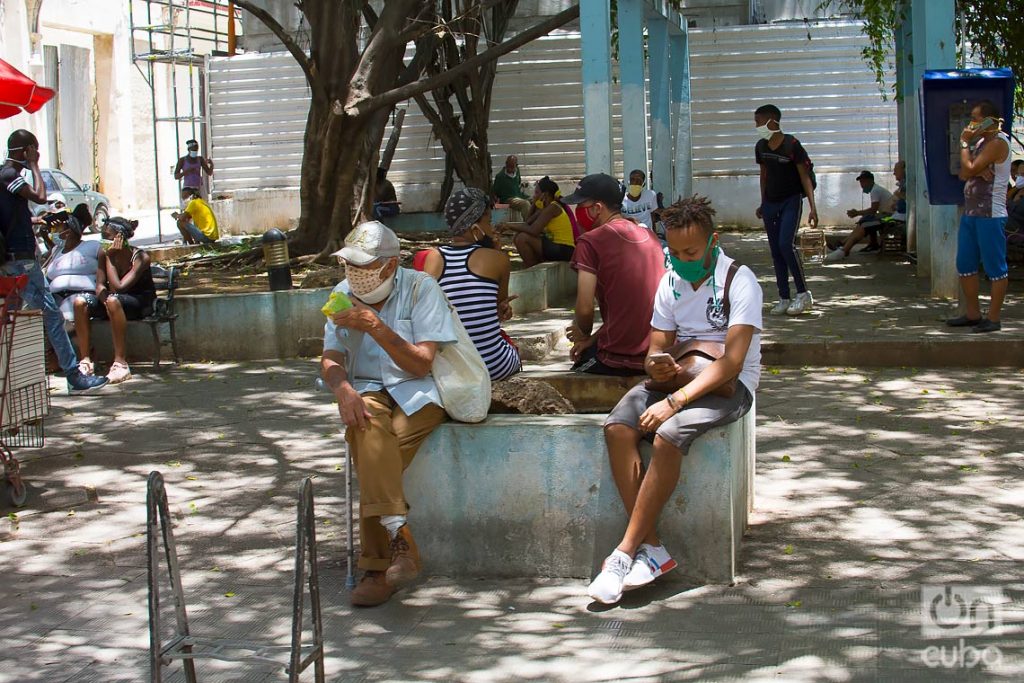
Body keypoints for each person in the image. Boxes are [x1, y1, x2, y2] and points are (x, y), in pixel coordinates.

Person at [588, 195, 761, 604]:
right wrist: (657, 368)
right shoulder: (670, 282)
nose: (682, 259)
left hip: (728, 386)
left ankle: (625, 552)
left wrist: (676, 400)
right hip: (680, 376)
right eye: (675, 251)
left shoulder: (740, 280)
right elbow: (656, 347)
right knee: (617, 427)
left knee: (668, 433)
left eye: (691, 252)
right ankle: (653, 548)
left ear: (712, 242)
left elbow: (733, 363)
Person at [321, 220, 457, 607]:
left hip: (421, 393)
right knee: (366, 428)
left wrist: (375, 326)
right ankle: (400, 540)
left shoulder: (420, 288)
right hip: (366, 390)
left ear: (391, 264)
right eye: (350, 265)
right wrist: (342, 388)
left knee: (373, 456)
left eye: (365, 266)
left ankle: (377, 567)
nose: (355, 275)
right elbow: (330, 357)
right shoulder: (341, 294)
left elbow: (420, 365)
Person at [0, 129, 108, 393]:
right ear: (26, 151)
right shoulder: (9, 174)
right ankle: (73, 375)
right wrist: (35, 165)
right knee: (51, 315)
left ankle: (10, 381)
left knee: (9, 320)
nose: (36, 155)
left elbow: (13, 215)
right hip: (20, 260)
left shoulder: (6, 177)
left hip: (17, 258)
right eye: (33, 151)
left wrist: (40, 220)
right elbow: (39, 195)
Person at [563, 173, 665, 376]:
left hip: (621, 356)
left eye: (581, 207)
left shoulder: (590, 242)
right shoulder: (649, 235)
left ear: (597, 209)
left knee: (576, 372)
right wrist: (592, 340)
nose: (577, 213)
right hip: (659, 349)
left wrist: (583, 334)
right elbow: (631, 309)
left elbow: (584, 308)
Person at [423, 188, 521, 381]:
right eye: (488, 221)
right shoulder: (498, 259)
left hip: (451, 370)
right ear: (475, 227)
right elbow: (497, 311)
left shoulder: (433, 258)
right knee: (513, 348)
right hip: (493, 367)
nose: (491, 228)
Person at [946, 100, 1011, 334]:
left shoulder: (998, 142)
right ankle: (973, 313)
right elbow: (964, 172)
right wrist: (973, 166)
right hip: (972, 212)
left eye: (975, 119)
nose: (971, 124)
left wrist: (964, 143)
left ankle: (993, 318)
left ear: (988, 121)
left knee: (995, 267)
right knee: (965, 264)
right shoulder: (982, 142)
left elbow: (970, 168)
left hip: (990, 214)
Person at [74, 217, 156, 384]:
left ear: (119, 237)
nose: (103, 240)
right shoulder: (104, 253)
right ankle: (85, 361)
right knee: (80, 302)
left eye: (107, 235)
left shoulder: (140, 257)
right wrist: (104, 301)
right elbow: (99, 285)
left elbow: (119, 287)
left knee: (113, 300)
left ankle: (120, 363)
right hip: (113, 301)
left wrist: (110, 259)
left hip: (139, 302)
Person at [754, 104, 817, 315]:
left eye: (759, 122)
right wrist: (763, 202)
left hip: (791, 200)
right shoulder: (761, 147)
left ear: (772, 122)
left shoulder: (792, 145)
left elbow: (804, 176)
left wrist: (813, 207)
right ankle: (783, 296)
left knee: (785, 245)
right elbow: (763, 176)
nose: (757, 126)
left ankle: (803, 293)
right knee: (775, 251)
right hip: (771, 202)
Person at [42, 205, 102, 326]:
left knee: (63, 319)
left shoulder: (93, 246)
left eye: (58, 229)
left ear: (69, 231)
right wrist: (44, 233)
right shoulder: (56, 251)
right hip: (55, 298)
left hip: (80, 295)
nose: (55, 233)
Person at [498, 176, 575, 268]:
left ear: (544, 195)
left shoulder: (553, 207)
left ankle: (532, 268)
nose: (534, 195)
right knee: (518, 235)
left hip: (564, 249)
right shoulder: (545, 207)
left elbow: (534, 230)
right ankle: (532, 266)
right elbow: (528, 222)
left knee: (522, 238)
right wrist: (534, 203)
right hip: (556, 246)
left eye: (536, 192)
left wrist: (508, 226)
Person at [824, 170, 895, 262]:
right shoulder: (876, 189)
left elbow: (873, 210)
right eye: (861, 182)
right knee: (864, 220)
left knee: (864, 224)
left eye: (863, 182)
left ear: (870, 181)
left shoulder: (875, 190)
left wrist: (857, 213)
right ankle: (845, 244)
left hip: (889, 217)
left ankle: (844, 249)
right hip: (886, 215)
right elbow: (873, 211)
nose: (862, 185)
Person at [491, 155, 531, 222]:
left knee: (536, 201)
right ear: (506, 163)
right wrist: (496, 203)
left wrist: (522, 186)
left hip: (519, 196)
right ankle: (528, 225)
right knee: (525, 204)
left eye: (512, 167)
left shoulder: (517, 171)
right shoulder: (500, 176)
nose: (510, 169)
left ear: (516, 165)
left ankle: (539, 225)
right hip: (508, 199)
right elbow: (496, 192)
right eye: (508, 166)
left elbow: (518, 183)